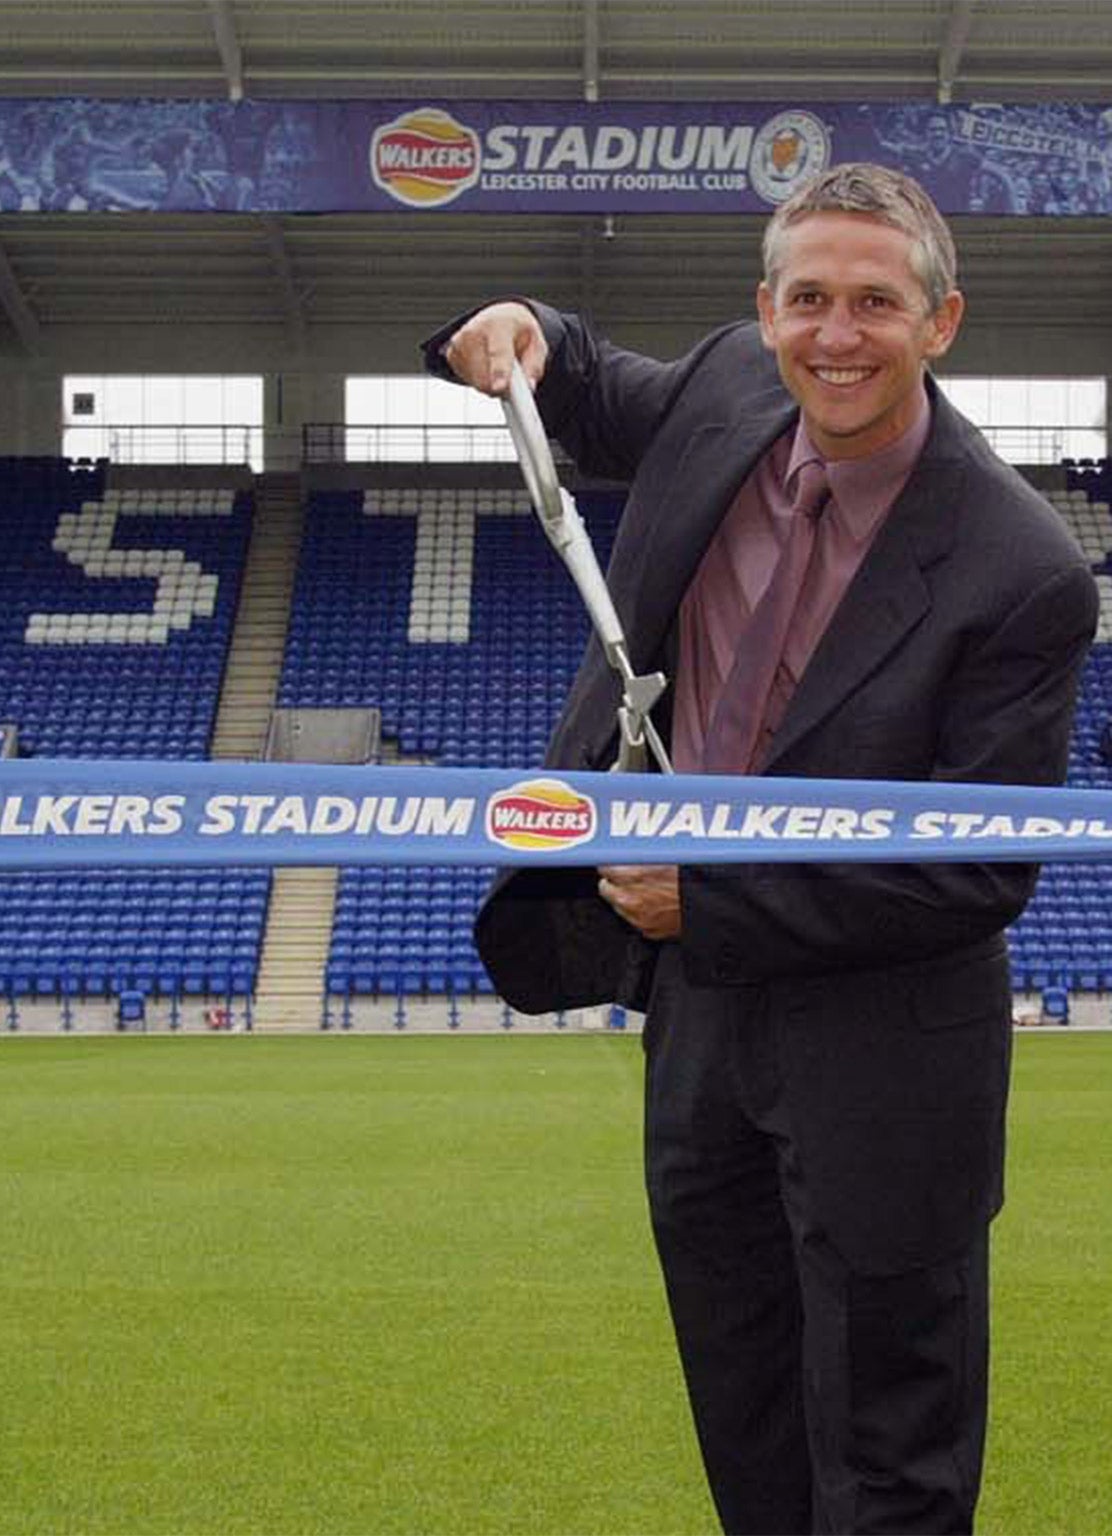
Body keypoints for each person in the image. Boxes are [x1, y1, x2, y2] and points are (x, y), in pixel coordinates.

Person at [426, 163, 1096, 1534]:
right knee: (745, 1417)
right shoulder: (729, 388)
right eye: (808, 299)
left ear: (942, 320)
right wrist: (511, 325)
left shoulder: (1022, 567)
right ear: (764, 310)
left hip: (889, 1055)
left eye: (874, 303)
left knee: (890, 1453)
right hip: (700, 1034)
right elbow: (584, 376)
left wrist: (710, 906)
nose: (835, 335)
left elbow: (980, 865)